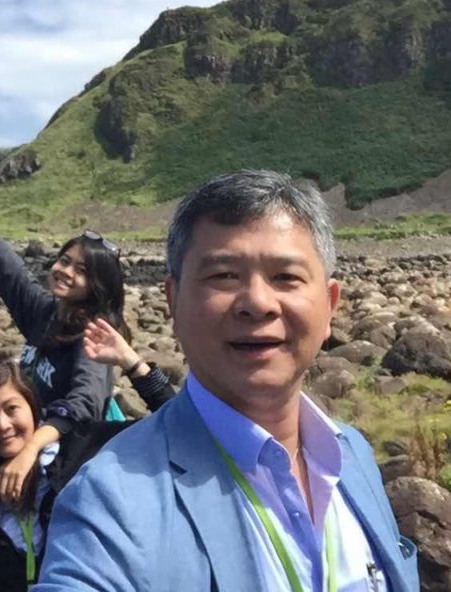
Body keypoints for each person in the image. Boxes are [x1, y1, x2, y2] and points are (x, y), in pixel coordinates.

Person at [36, 170, 420, 592]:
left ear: (329, 306)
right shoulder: (109, 503)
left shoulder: (353, 456)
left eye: (285, 277)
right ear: (173, 302)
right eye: (223, 276)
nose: (257, 302)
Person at [0, 181, 127, 503]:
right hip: (33, 440)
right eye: (64, 260)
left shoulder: (92, 335)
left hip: (71, 464)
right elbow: (3, 264)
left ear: (98, 286)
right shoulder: (45, 312)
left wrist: (33, 447)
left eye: (82, 270)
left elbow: (85, 403)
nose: (66, 271)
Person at [0, 326, 175, 592]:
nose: (1, 425)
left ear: (33, 407)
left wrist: (131, 362)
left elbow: (175, 426)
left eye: (12, 409)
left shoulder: (79, 449)